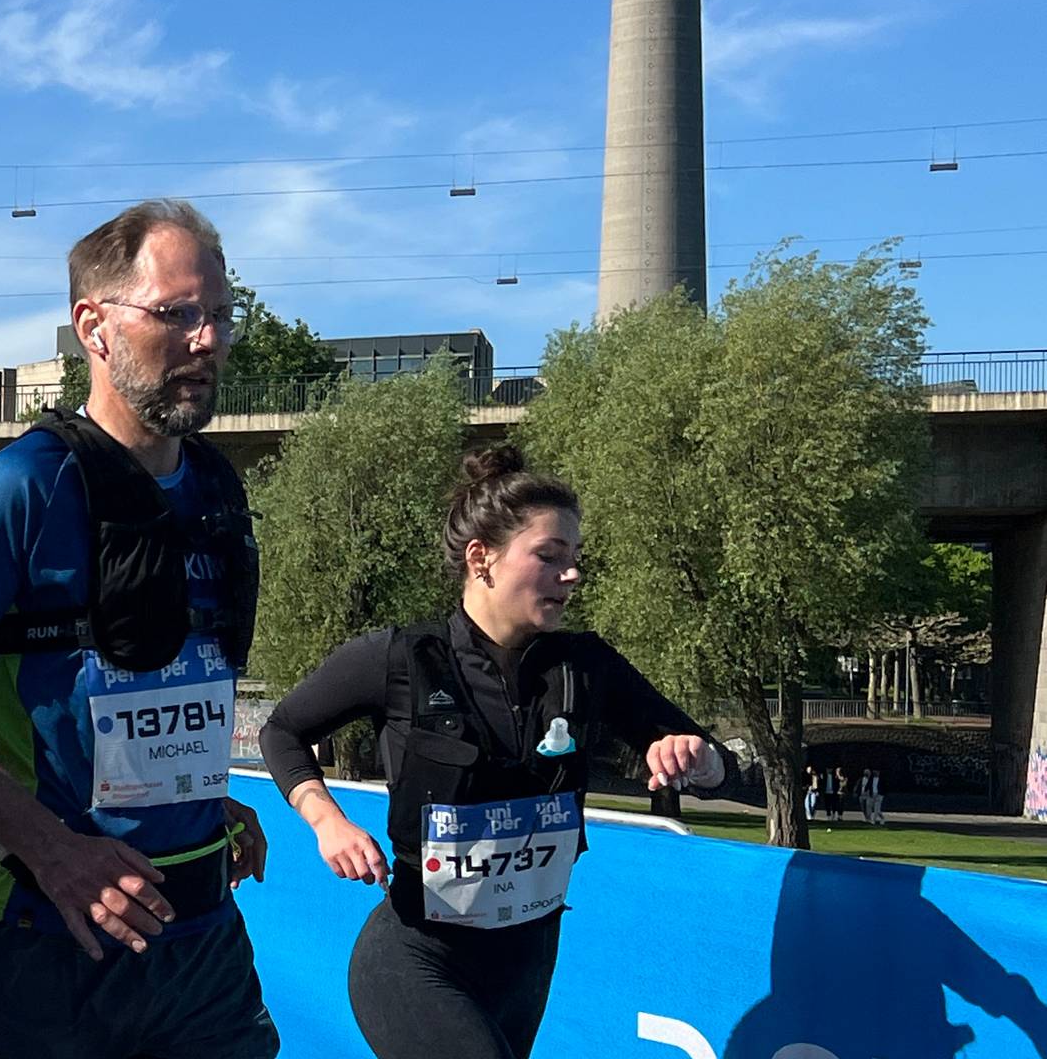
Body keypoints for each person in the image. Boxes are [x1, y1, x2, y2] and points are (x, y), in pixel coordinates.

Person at [0, 201, 275, 1059]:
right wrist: (55, 852)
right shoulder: (21, 486)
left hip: (195, 942)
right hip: (34, 937)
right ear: (93, 324)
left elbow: (159, 691)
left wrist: (201, 800)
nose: (208, 341)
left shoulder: (216, 489)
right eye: (177, 314)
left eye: (220, 315)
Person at [258, 445, 730, 1059]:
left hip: (526, 963)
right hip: (417, 957)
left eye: (576, 559)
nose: (572, 575)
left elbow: (717, 765)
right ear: (481, 559)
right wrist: (328, 822)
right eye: (550, 557)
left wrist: (696, 757)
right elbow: (282, 731)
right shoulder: (399, 658)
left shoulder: (586, 666)